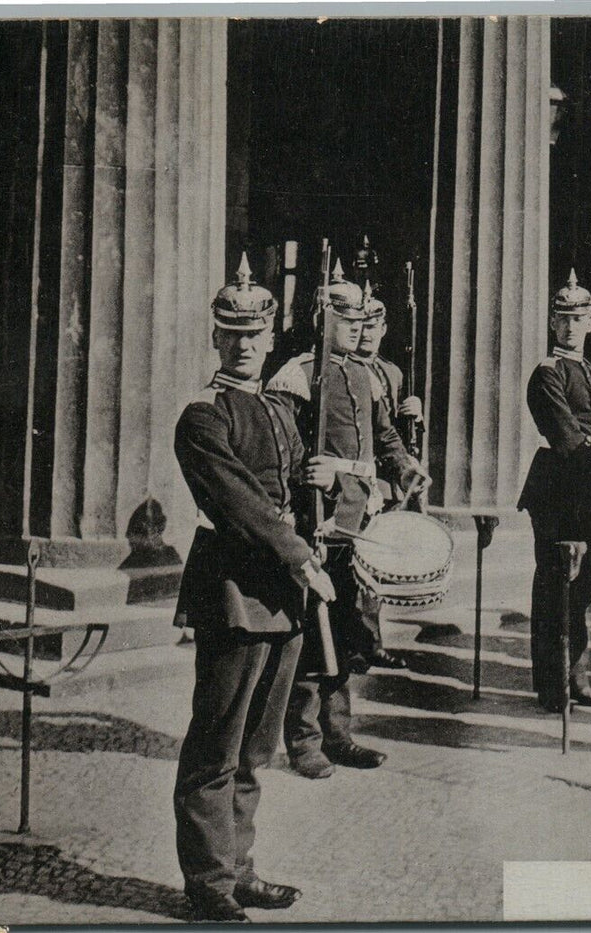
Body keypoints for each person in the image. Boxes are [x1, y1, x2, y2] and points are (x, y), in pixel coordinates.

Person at [172, 254, 336, 922]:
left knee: (255, 748)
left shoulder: (280, 412)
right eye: (230, 332)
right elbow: (241, 504)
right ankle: (207, 883)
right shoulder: (202, 416)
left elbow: (290, 486)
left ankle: (240, 868)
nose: (243, 344)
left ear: (272, 338)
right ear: (215, 337)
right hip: (236, 590)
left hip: (285, 595)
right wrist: (299, 555)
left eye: (254, 333)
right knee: (216, 746)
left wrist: (321, 480)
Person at [269, 261, 426, 779]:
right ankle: (304, 741)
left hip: (357, 519)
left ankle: (339, 736)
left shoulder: (363, 374)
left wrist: (404, 468)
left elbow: (384, 437)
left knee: (346, 631)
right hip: (316, 521)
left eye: (362, 317)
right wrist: (311, 476)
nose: (358, 325)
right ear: (322, 315)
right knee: (314, 634)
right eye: (346, 315)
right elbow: (279, 449)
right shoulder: (297, 373)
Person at [518, 270, 591, 712]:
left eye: (577, 318)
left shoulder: (590, 370)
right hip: (558, 488)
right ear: (552, 324)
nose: (569, 326)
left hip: (586, 488)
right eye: (562, 318)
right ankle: (552, 685)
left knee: (581, 590)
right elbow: (566, 435)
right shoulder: (547, 373)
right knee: (555, 588)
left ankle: (576, 677)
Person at [350, 286, 425, 671]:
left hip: (388, 478)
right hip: (362, 478)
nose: (366, 333)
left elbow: (391, 431)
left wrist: (416, 414)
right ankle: (364, 642)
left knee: (375, 568)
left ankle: (369, 639)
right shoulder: (348, 370)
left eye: (373, 326)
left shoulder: (392, 372)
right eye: (360, 325)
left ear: (383, 329)